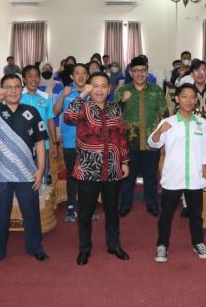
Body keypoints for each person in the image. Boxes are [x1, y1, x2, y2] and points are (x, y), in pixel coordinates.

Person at [0, 73, 48, 267]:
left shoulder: (32, 112)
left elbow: (40, 142)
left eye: (17, 87)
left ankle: (35, 248)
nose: (13, 91)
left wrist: (41, 169)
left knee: (31, 214)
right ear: (2, 89)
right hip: (0, 174)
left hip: (27, 173)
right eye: (8, 87)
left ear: (22, 89)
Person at [64, 72, 130, 266]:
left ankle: (114, 245)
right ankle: (84, 249)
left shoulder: (115, 108)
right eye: (95, 86)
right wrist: (83, 94)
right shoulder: (82, 107)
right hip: (88, 169)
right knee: (85, 213)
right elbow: (68, 117)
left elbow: (121, 136)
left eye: (103, 86)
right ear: (89, 87)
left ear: (109, 89)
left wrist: (125, 161)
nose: (99, 90)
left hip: (112, 168)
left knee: (112, 211)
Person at [148, 83, 206, 263]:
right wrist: (159, 131)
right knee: (166, 215)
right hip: (173, 176)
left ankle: (198, 242)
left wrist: (204, 172)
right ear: (177, 99)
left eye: (192, 97)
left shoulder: (202, 123)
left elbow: (204, 150)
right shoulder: (168, 122)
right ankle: (162, 245)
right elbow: (153, 143)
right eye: (184, 96)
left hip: (194, 176)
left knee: (196, 214)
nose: (189, 100)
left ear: (196, 100)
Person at [117, 56, 168, 217]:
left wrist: (164, 141)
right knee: (128, 177)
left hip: (151, 142)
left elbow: (164, 116)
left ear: (147, 72)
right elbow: (113, 115)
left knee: (151, 176)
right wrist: (122, 101)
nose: (140, 74)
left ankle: (152, 205)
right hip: (129, 143)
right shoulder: (122, 91)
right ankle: (125, 205)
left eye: (143, 70)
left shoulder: (156, 91)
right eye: (136, 71)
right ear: (131, 73)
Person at [53, 63, 89, 222]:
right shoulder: (66, 92)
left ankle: (87, 206)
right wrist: (62, 96)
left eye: (83, 73)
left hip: (89, 142)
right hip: (70, 141)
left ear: (87, 76)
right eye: (77, 73)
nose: (80, 76)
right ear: (71, 76)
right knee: (72, 174)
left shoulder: (92, 92)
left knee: (87, 175)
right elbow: (55, 112)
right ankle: (71, 206)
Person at [21, 65, 58, 184]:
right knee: (24, 179)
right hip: (22, 144)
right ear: (24, 79)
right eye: (30, 76)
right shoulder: (18, 96)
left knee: (42, 178)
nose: (34, 79)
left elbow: (50, 120)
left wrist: (54, 143)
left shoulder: (45, 97)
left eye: (36, 76)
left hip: (43, 144)